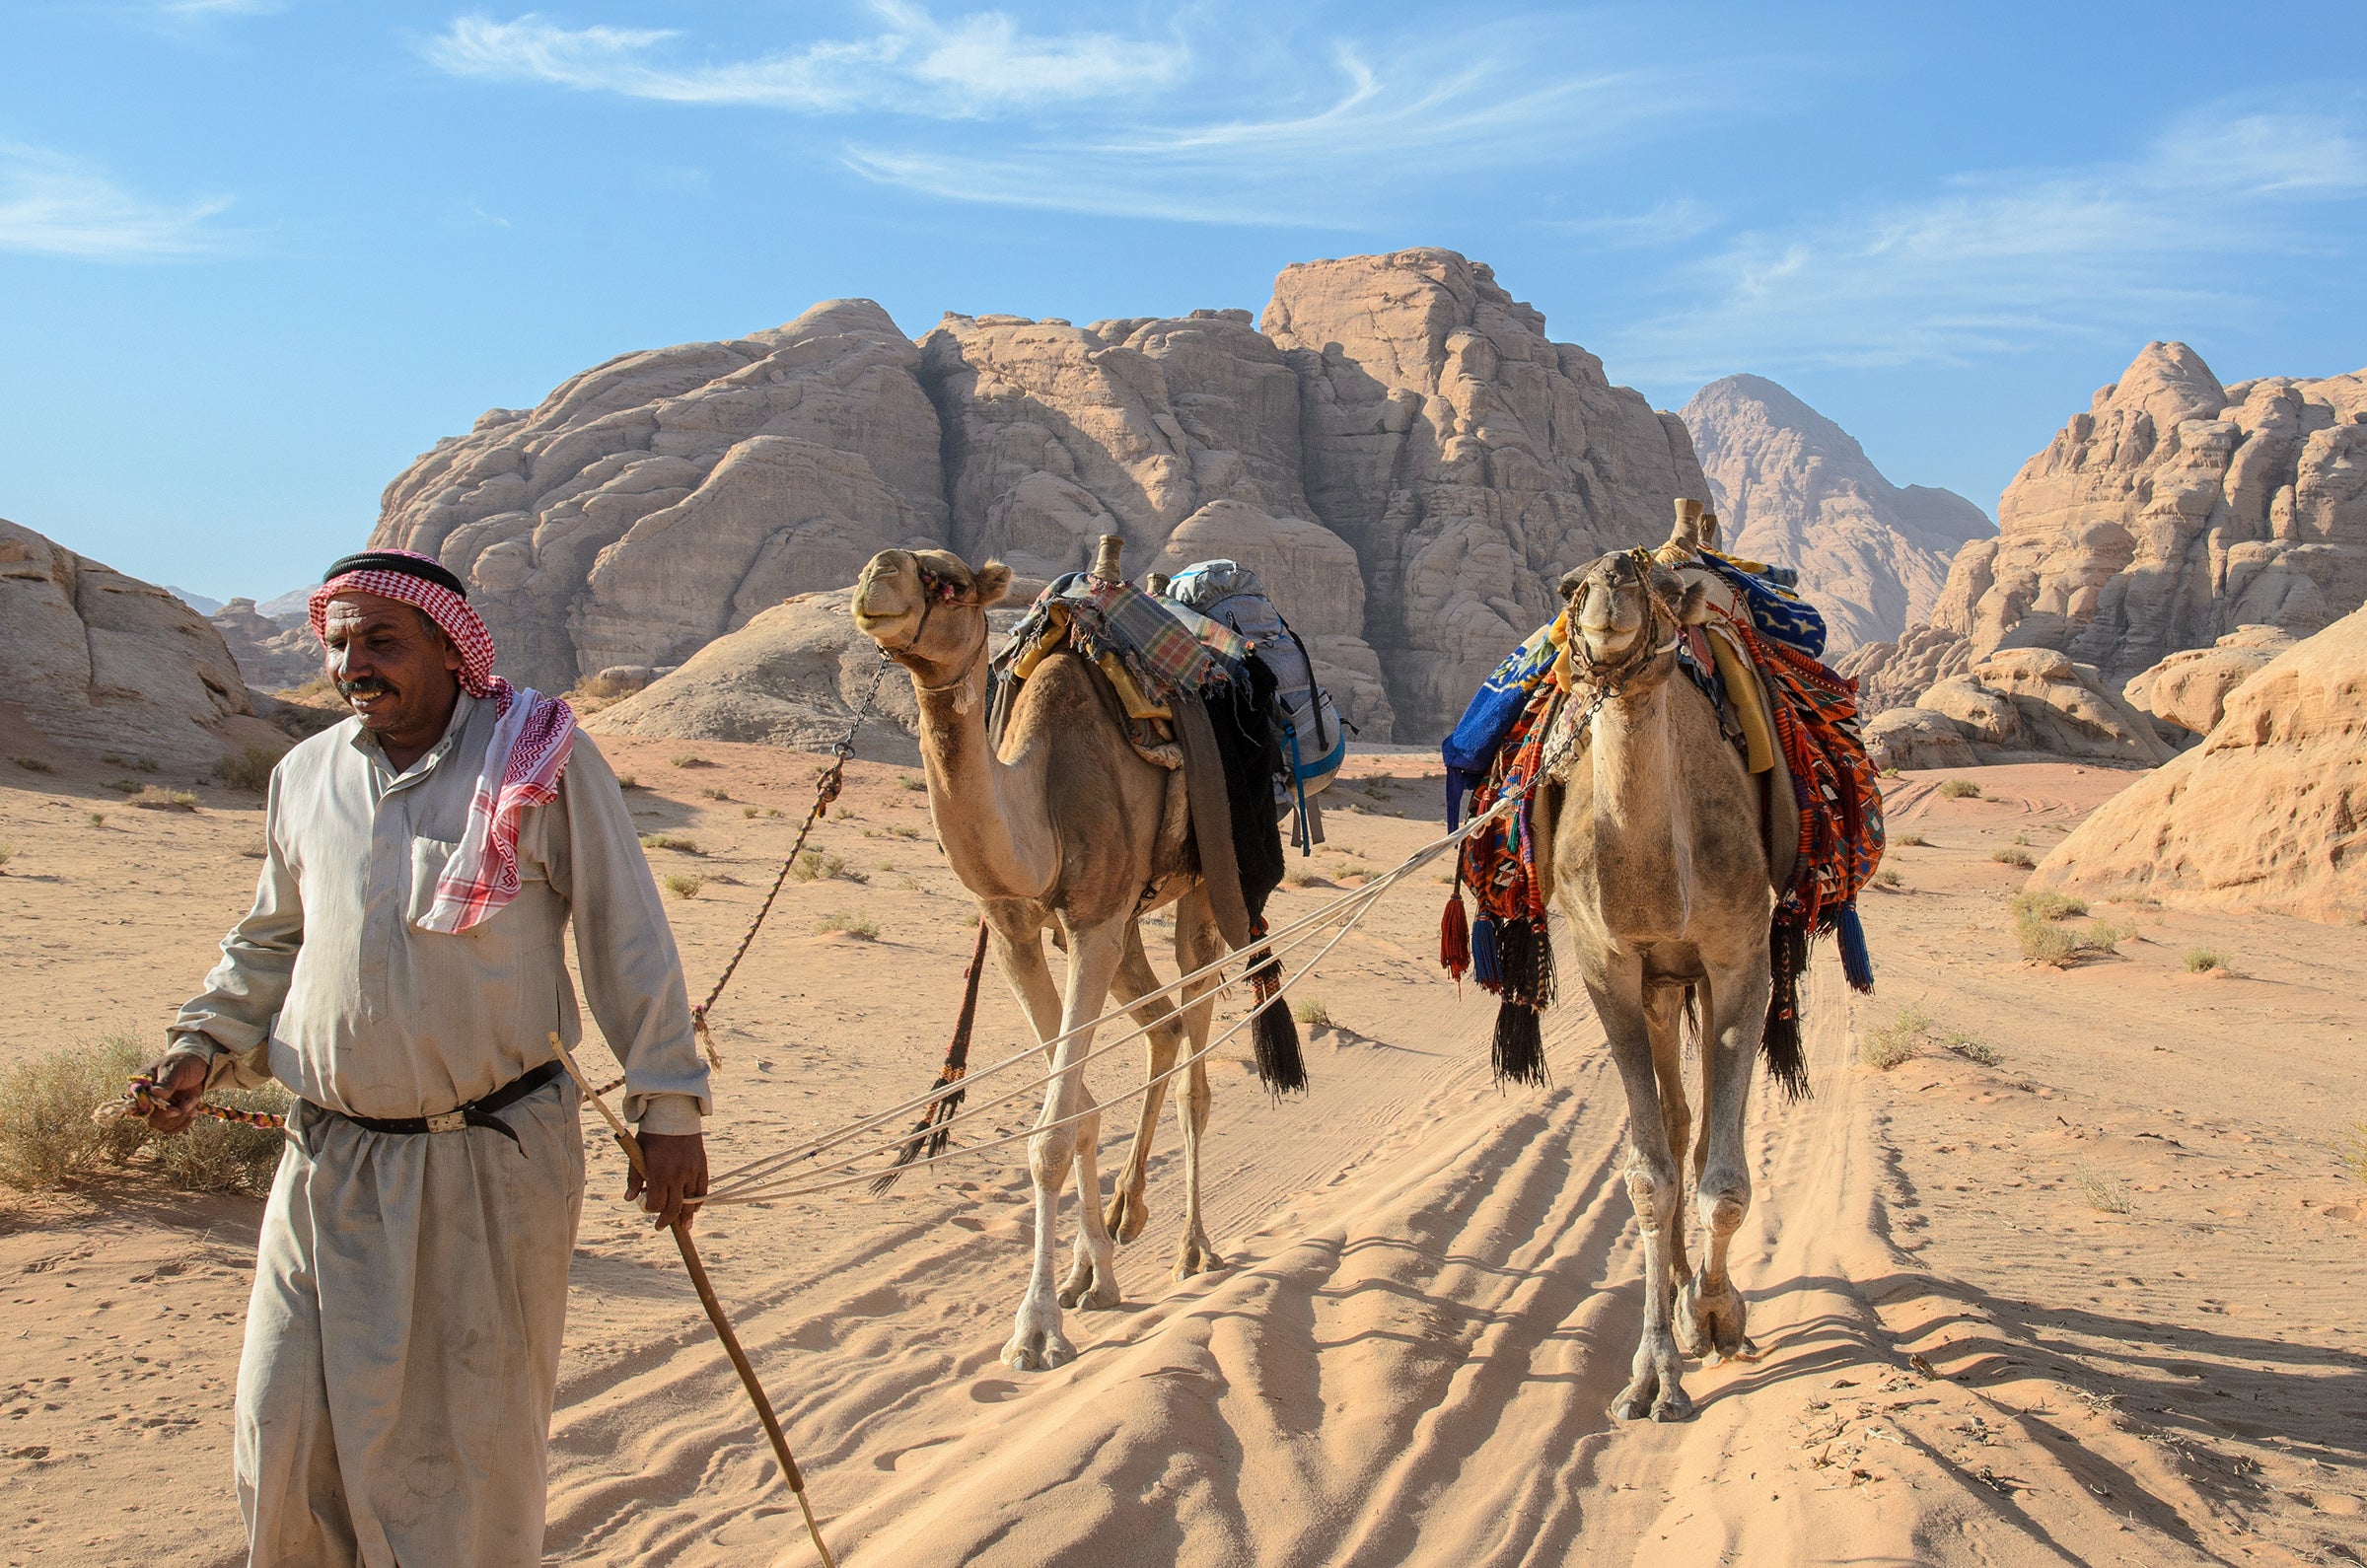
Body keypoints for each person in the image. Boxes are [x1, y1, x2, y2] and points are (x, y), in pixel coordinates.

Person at [141, 547, 712, 1567]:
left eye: (382, 640)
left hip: (488, 1159)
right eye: (339, 642)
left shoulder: (539, 756)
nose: (355, 662)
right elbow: (272, 939)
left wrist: (667, 1110)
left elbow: (627, 937)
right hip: (325, 1160)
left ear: (453, 650)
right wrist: (204, 1044)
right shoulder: (305, 774)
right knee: (284, 1436)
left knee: (464, 1459)